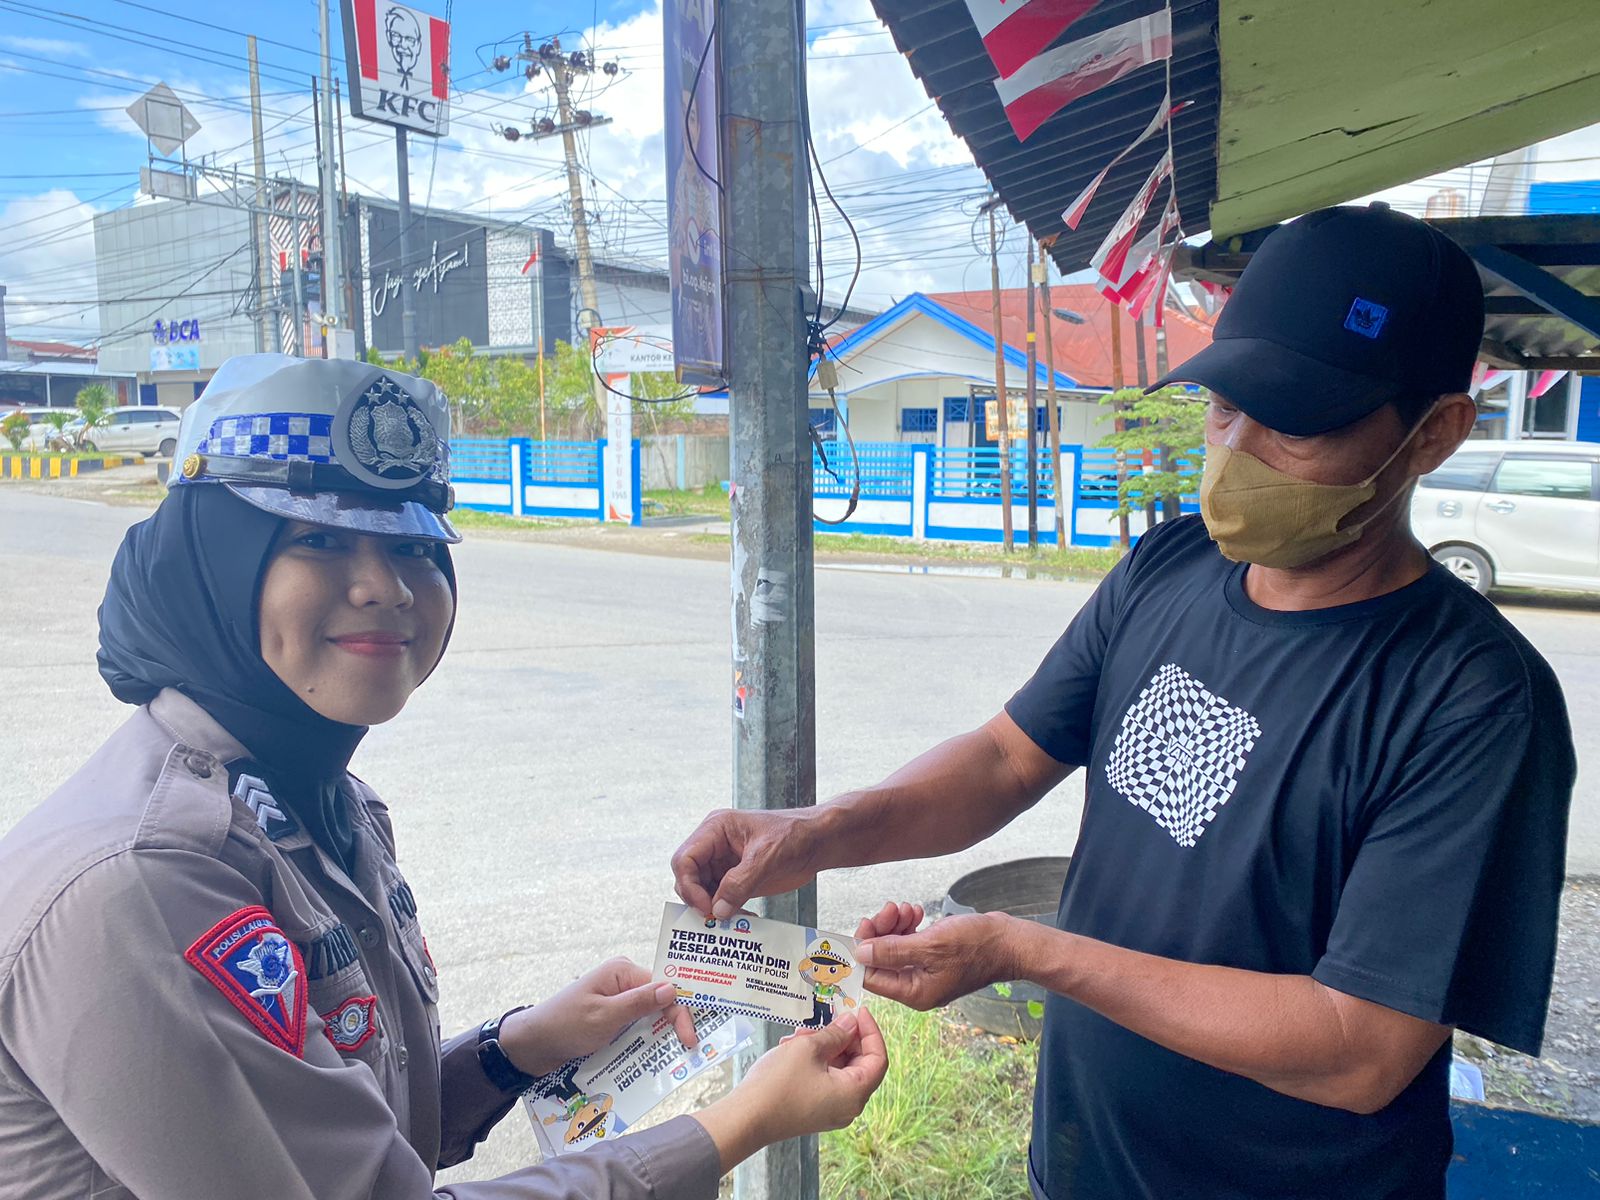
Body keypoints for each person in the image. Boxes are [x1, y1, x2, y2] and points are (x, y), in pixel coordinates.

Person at [672, 204, 1576, 1200]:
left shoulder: (1472, 701)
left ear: (1433, 434)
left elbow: (1357, 1048)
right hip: (1086, 1160)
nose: (1237, 449)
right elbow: (1004, 759)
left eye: (1295, 422)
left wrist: (1027, 950)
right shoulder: (1169, 569)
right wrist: (809, 833)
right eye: (1225, 405)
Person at [0, 355, 886, 1200]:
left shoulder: (321, 809)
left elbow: (348, 1136)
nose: (386, 586)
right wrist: (738, 1125)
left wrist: (513, 1052)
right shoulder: (144, 880)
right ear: (217, 566)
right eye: (319, 540)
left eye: (416, 546)